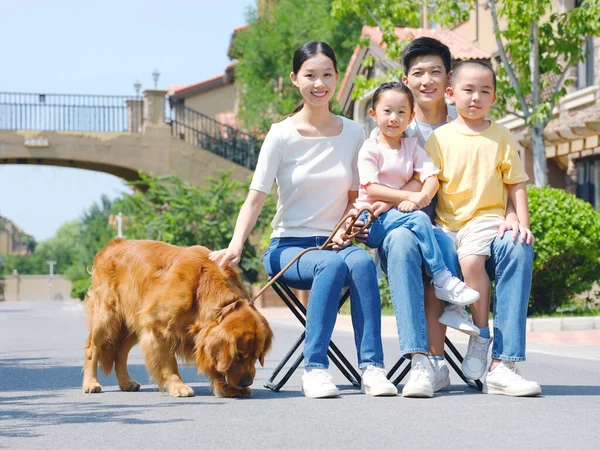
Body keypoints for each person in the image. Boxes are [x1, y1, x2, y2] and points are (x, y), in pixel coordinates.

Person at [209, 41, 397, 399]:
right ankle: (315, 368)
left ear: (337, 78)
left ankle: (372, 367)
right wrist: (235, 245)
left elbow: (356, 197)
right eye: (310, 75)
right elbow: (255, 198)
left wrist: (346, 228)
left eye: (327, 74)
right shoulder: (281, 134)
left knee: (360, 262)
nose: (319, 83)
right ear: (296, 79)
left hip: (336, 243)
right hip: (287, 248)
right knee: (330, 265)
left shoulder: (354, 133)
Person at [367, 37, 539, 397]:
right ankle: (424, 363)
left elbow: (507, 181)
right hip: (422, 234)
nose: (426, 80)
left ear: (448, 83)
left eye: (435, 71)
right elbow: (381, 186)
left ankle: (503, 364)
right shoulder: (394, 127)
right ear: (406, 80)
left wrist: (513, 216)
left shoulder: (480, 126)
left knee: (517, 244)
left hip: (478, 230)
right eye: (418, 73)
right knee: (403, 242)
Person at [425, 60, 541, 396]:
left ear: (493, 98)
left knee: (472, 261)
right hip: (448, 225)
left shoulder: (501, 135)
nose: (476, 97)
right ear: (451, 94)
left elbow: (516, 183)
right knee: (442, 264)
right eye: (468, 90)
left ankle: (481, 336)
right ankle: (438, 357)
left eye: (485, 91)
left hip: (486, 220)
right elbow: (431, 184)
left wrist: (521, 223)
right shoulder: (440, 138)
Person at [354, 81, 479, 313]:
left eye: (401, 112)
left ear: (411, 117)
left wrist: (422, 196)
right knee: (421, 218)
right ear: (373, 114)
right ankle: (442, 276)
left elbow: (432, 175)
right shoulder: (370, 149)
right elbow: (371, 188)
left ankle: (454, 307)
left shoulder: (411, 146)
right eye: (387, 111)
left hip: (399, 216)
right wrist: (409, 197)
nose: (394, 118)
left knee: (444, 241)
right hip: (372, 219)